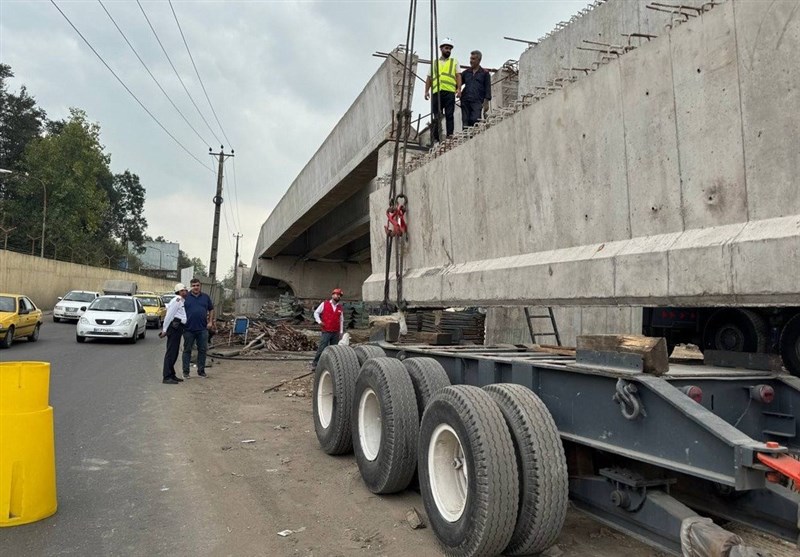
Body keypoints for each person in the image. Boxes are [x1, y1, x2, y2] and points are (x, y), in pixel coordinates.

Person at [425, 37, 462, 146]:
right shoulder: (435, 63)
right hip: (436, 92)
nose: (448, 50)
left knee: (449, 114)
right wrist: (426, 91)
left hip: (449, 92)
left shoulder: (454, 61)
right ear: (441, 49)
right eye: (446, 48)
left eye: (450, 49)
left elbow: (458, 75)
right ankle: (436, 137)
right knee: (436, 116)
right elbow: (429, 78)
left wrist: (459, 89)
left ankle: (450, 135)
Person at [182, 278, 215, 378]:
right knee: (187, 350)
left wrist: (210, 321)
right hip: (188, 329)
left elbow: (211, 309)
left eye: (197, 285)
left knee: (202, 350)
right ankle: (186, 372)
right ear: (191, 286)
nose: (196, 287)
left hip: (202, 329)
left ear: (200, 286)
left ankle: (201, 371)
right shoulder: (185, 297)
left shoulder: (205, 297)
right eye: (194, 285)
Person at [159, 283, 188, 385]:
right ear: (178, 292)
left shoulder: (180, 300)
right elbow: (169, 315)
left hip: (178, 327)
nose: (185, 292)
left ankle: (171, 374)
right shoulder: (177, 300)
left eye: (185, 290)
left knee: (174, 352)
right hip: (174, 328)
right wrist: (165, 330)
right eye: (183, 290)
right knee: (171, 352)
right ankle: (166, 376)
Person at [311, 288, 345, 370]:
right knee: (322, 347)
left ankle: (331, 365)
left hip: (335, 332)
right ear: (332, 295)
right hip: (326, 330)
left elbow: (341, 320)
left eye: (339, 295)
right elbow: (316, 313)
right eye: (336, 294)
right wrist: (319, 321)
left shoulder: (340, 307)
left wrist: (341, 332)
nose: (338, 296)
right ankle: (315, 364)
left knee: (334, 349)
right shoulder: (324, 304)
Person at [460, 50, 492, 128]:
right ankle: (466, 139)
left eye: (473, 59)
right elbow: (457, 83)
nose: (471, 61)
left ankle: (474, 138)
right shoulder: (466, 73)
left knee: (475, 120)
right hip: (465, 100)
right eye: (470, 59)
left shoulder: (485, 73)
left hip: (477, 101)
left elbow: (488, 87)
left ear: (479, 60)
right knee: (465, 121)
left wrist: (486, 101)